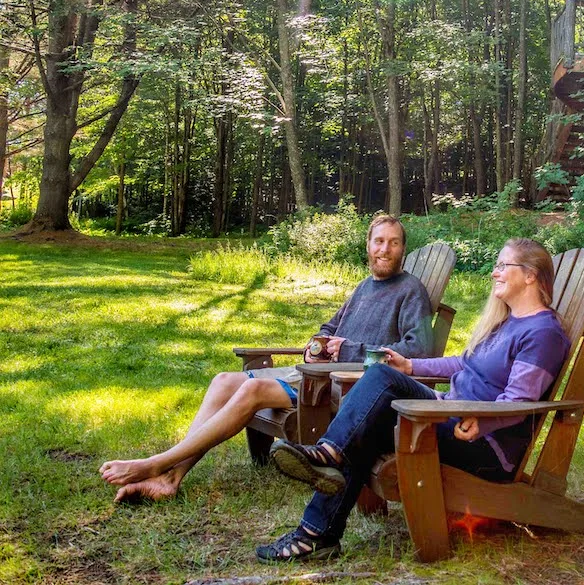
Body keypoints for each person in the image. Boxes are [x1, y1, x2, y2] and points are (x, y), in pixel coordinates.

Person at [255, 238, 570, 563]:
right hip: (451, 413)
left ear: (530, 275)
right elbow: (463, 363)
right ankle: (314, 536)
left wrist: (484, 420)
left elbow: (519, 402)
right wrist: (409, 366)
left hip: (484, 445)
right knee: (374, 404)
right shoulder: (507, 323)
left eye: (503, 265)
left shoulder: (543, 333)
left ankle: (328, 459)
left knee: (380, 380)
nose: (494, 273)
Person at [98, 215, 434, 503]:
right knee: (223, 381)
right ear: (368, 245)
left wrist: (349, 350)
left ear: (403, 248)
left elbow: (419, 349)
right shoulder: (364, 287)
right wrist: (316, 344)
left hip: (347, 386)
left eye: (393, 243)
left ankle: (158, 464)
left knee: (251, 392)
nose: (385, 249)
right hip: (316, 373)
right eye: (379, 241)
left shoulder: (411, 290)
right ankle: (171, 477)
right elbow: (330, 326)